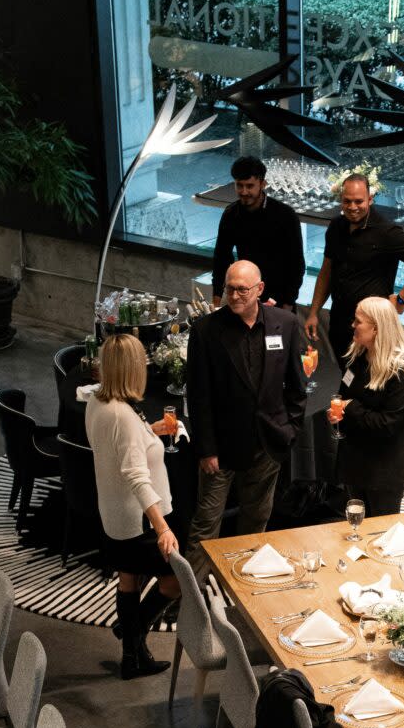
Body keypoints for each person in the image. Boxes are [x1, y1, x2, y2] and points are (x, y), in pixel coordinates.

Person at [186, 260, 306, 574]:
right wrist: (206, 448)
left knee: (256, 519)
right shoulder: (206, 330)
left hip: (267, 442)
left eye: (242, 289)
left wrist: (290, 428)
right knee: (205, 523)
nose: (235, 296)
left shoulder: (286, 324)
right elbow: (198, 395)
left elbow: (297, 384)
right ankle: (191, 598)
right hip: (222, 447)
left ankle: (245, 583)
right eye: (230, 288)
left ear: (260, 290)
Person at [84, 332, 184, 678]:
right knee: (176, 581)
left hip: (113, 514)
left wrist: (149, 433)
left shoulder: (98, 402)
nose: (146, 366)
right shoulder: (122, 416)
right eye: (141, 361)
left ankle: (132, 658)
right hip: (139, 519)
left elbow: (114, 450)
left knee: (128, 579)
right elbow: (136, 476)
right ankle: (132, 630)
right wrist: (163, 527)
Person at [303, 174, 404, 362]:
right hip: (339, 320)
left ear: (370, 199)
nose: (352, 207)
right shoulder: (336, 226)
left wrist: (401, 299)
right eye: (347, 201)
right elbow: (326, 272)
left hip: (371, 328)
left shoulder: (386, 232)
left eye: (359, 201)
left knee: (369, 383)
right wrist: (314, 312)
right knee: (346, 377)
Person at [325, 295, 404, 515]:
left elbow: (388, 424)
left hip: (384, 471)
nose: (352, 325)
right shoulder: (357, 357)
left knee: (379, 537)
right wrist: (338, 414)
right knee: (354, 529)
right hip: (355, 462)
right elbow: (344, 394)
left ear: (376, 329)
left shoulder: (401, 369)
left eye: (358, 321)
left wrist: (350, 408)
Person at [210, 155, 305, 311]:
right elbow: (221, 258)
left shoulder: (285, 215)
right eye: (239, 185)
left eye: (250, 186)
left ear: (263, 184)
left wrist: (287, 305)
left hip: (279, 299)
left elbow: (296, 265)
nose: (244, 191)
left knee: (274, 336)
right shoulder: (231, 214)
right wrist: (216, 301)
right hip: (244, 297)